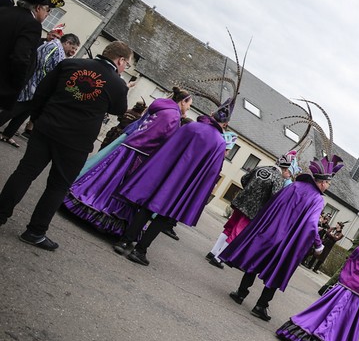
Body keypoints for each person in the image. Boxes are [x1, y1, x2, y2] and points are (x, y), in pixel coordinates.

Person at [0, 40, 130, 249]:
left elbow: (42, 92)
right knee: (58, 186)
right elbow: (119, 109)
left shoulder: (71, 64)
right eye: (127, 64)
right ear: (121, 60)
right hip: (76, 141)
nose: (125, 67)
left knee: (24, 172)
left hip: (47, 127)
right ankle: (35, 231)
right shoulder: (117, 83)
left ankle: (1, 213)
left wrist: (38, 118)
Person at [220, 154, 344, 321]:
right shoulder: (316, 199)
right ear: (322, 182)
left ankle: (240, 293)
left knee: (254, 263)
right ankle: (261, 306)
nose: (328, 186)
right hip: (287, 242)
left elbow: (274, 204)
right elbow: (311, 224)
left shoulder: (294, 186)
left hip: (269, 232)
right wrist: (318, 244)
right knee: (276, 271)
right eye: (328, 183)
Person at [115, 97, 233, 266]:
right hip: (184, 184)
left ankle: (124, 241)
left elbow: (168, 147)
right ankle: (140, 250)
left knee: (147, 206)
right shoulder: (219, 143)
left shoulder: (191, 126)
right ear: (225, 124)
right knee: (164, 215)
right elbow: (212, 172)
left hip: (166, 174)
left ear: (212, 114)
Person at [62, 87, 192, 235]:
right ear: (183, 101)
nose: (188, 108)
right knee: (118, 184)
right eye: (189, 104)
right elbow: (160, 139)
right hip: (139, 153)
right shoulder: (172, 115)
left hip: (129, 146)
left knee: (107, 175)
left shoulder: (162, 107)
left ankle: (85, 197)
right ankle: (102, 212)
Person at [205, 153, 297, 268]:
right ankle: (218, 258)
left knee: (229, 227)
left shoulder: (260, 167)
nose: (288, 177)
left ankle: (213, 252)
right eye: (289, 174)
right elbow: (274, 197)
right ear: (286, 169)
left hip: (241, 201)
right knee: (237, 232)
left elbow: (244, 179)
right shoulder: (278, 178)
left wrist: (249, 191)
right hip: (253, 210)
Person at [0, 32, 80, 147]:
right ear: (67, 43)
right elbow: (44, 65)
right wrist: (52, 80)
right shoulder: (54, 47)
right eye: (73, 48)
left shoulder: (57, 49)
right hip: (35, 83)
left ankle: (8, 134)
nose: (73, 52)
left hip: (38, 86)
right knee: (17, 108)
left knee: (24, 112)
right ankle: (7, 133)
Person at [0, 0, 64, 113]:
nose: (48, 15)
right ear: (38, 8)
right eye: (48, 10)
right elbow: (20, 57)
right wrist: (19, 83)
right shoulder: (32, 25)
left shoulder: (4, 11)